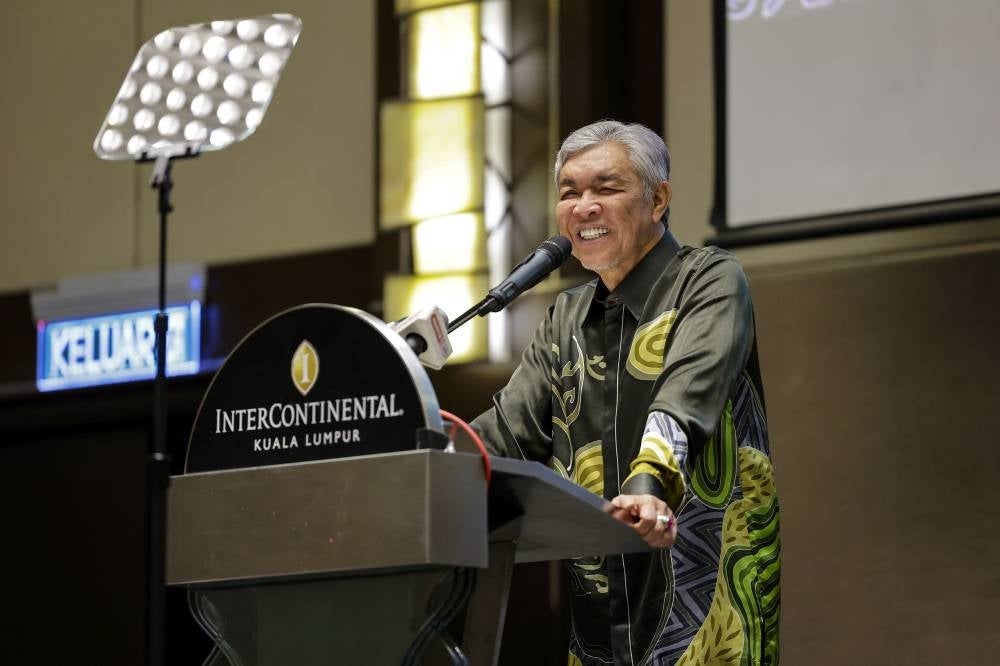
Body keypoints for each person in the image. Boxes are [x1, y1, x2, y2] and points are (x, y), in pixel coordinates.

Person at [472, 120, 780, 665]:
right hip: (596, 621)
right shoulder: (566, 315)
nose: (583, 207)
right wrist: (420, 465)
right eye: (570, 192)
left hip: (707, 606)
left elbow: (686, 397)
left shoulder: (708, 279)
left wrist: (650, 484)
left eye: (605, 188)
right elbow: (502, 436)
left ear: (659, 199)